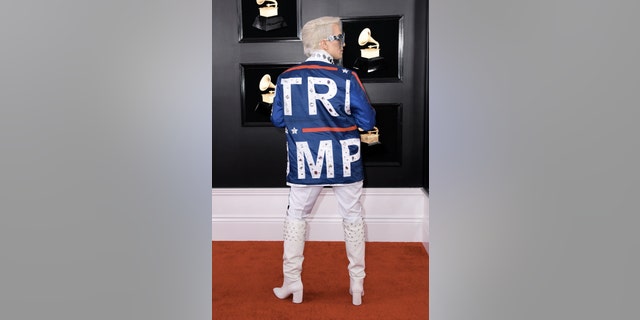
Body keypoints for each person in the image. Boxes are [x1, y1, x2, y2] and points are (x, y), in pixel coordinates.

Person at [270, 16, 376, 306]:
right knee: (353, 217)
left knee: (296, 217)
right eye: (339, 38)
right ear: (323, 42)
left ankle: (292, 282)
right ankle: (357, 286)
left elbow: (278, 119)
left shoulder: (286, 78)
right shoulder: (347, 78)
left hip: (304, 161)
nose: (343, 43)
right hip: (345, 160)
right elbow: (367, 121)